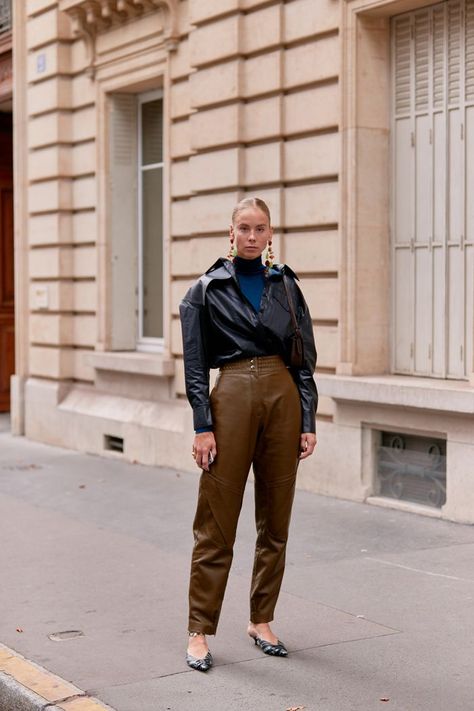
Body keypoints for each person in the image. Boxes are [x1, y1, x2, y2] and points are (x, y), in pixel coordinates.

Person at [179, 197, 318, 672]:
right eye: (244, 227)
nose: (252, 236)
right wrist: (203, 424)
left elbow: (305, 358)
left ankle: (261, 619)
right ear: (231, 232)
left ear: (271, 234)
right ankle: (198, 628)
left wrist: (307, 419)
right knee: (216, 521)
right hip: (232, 395)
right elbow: (195, 364)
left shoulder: (287, 286)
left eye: (260, 228)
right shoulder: (206, 288)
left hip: (283, 396)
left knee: (275, 520)